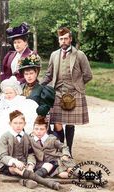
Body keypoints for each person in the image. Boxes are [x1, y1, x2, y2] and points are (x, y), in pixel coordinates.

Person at [41, 27, 93, 155]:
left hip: (73, 94)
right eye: (61, 39)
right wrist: (39, 85)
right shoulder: (54, 55)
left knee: (70, 124)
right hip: (57, 93)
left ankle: (68, 151)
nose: (63, 41)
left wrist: (77, 86)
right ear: (58, 41)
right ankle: (61, 149)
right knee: (57, 123)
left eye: (65, 38)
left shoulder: (80, 55)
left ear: (70, 39)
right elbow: (49, 74)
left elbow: (88, 75)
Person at [0, 110, 60, 190]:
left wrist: (30, 164)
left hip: (24, 163)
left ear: (24, 124)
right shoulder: (5, 137)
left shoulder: (27, 136)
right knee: (16, 168)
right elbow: (2, 156)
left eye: (20, 123)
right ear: (10, 124)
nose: (18, 126)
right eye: (15, 123)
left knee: (49, 164)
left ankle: (25, 181)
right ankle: (47, 183)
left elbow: (31, 153)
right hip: (9, 164)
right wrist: (15, 162)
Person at [0, 76, 38, 142]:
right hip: (2, 122)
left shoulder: (20, 101)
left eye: (10, 93)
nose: (8, 95)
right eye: (6, 93)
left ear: (16, 92)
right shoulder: (3, 102)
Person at [18, 53, 55, 118]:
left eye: (31, 73)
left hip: (37, 120)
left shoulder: (43, 90)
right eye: (26, 74)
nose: (29, 76)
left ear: (36, 73)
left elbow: (44, 110)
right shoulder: (20, 87)